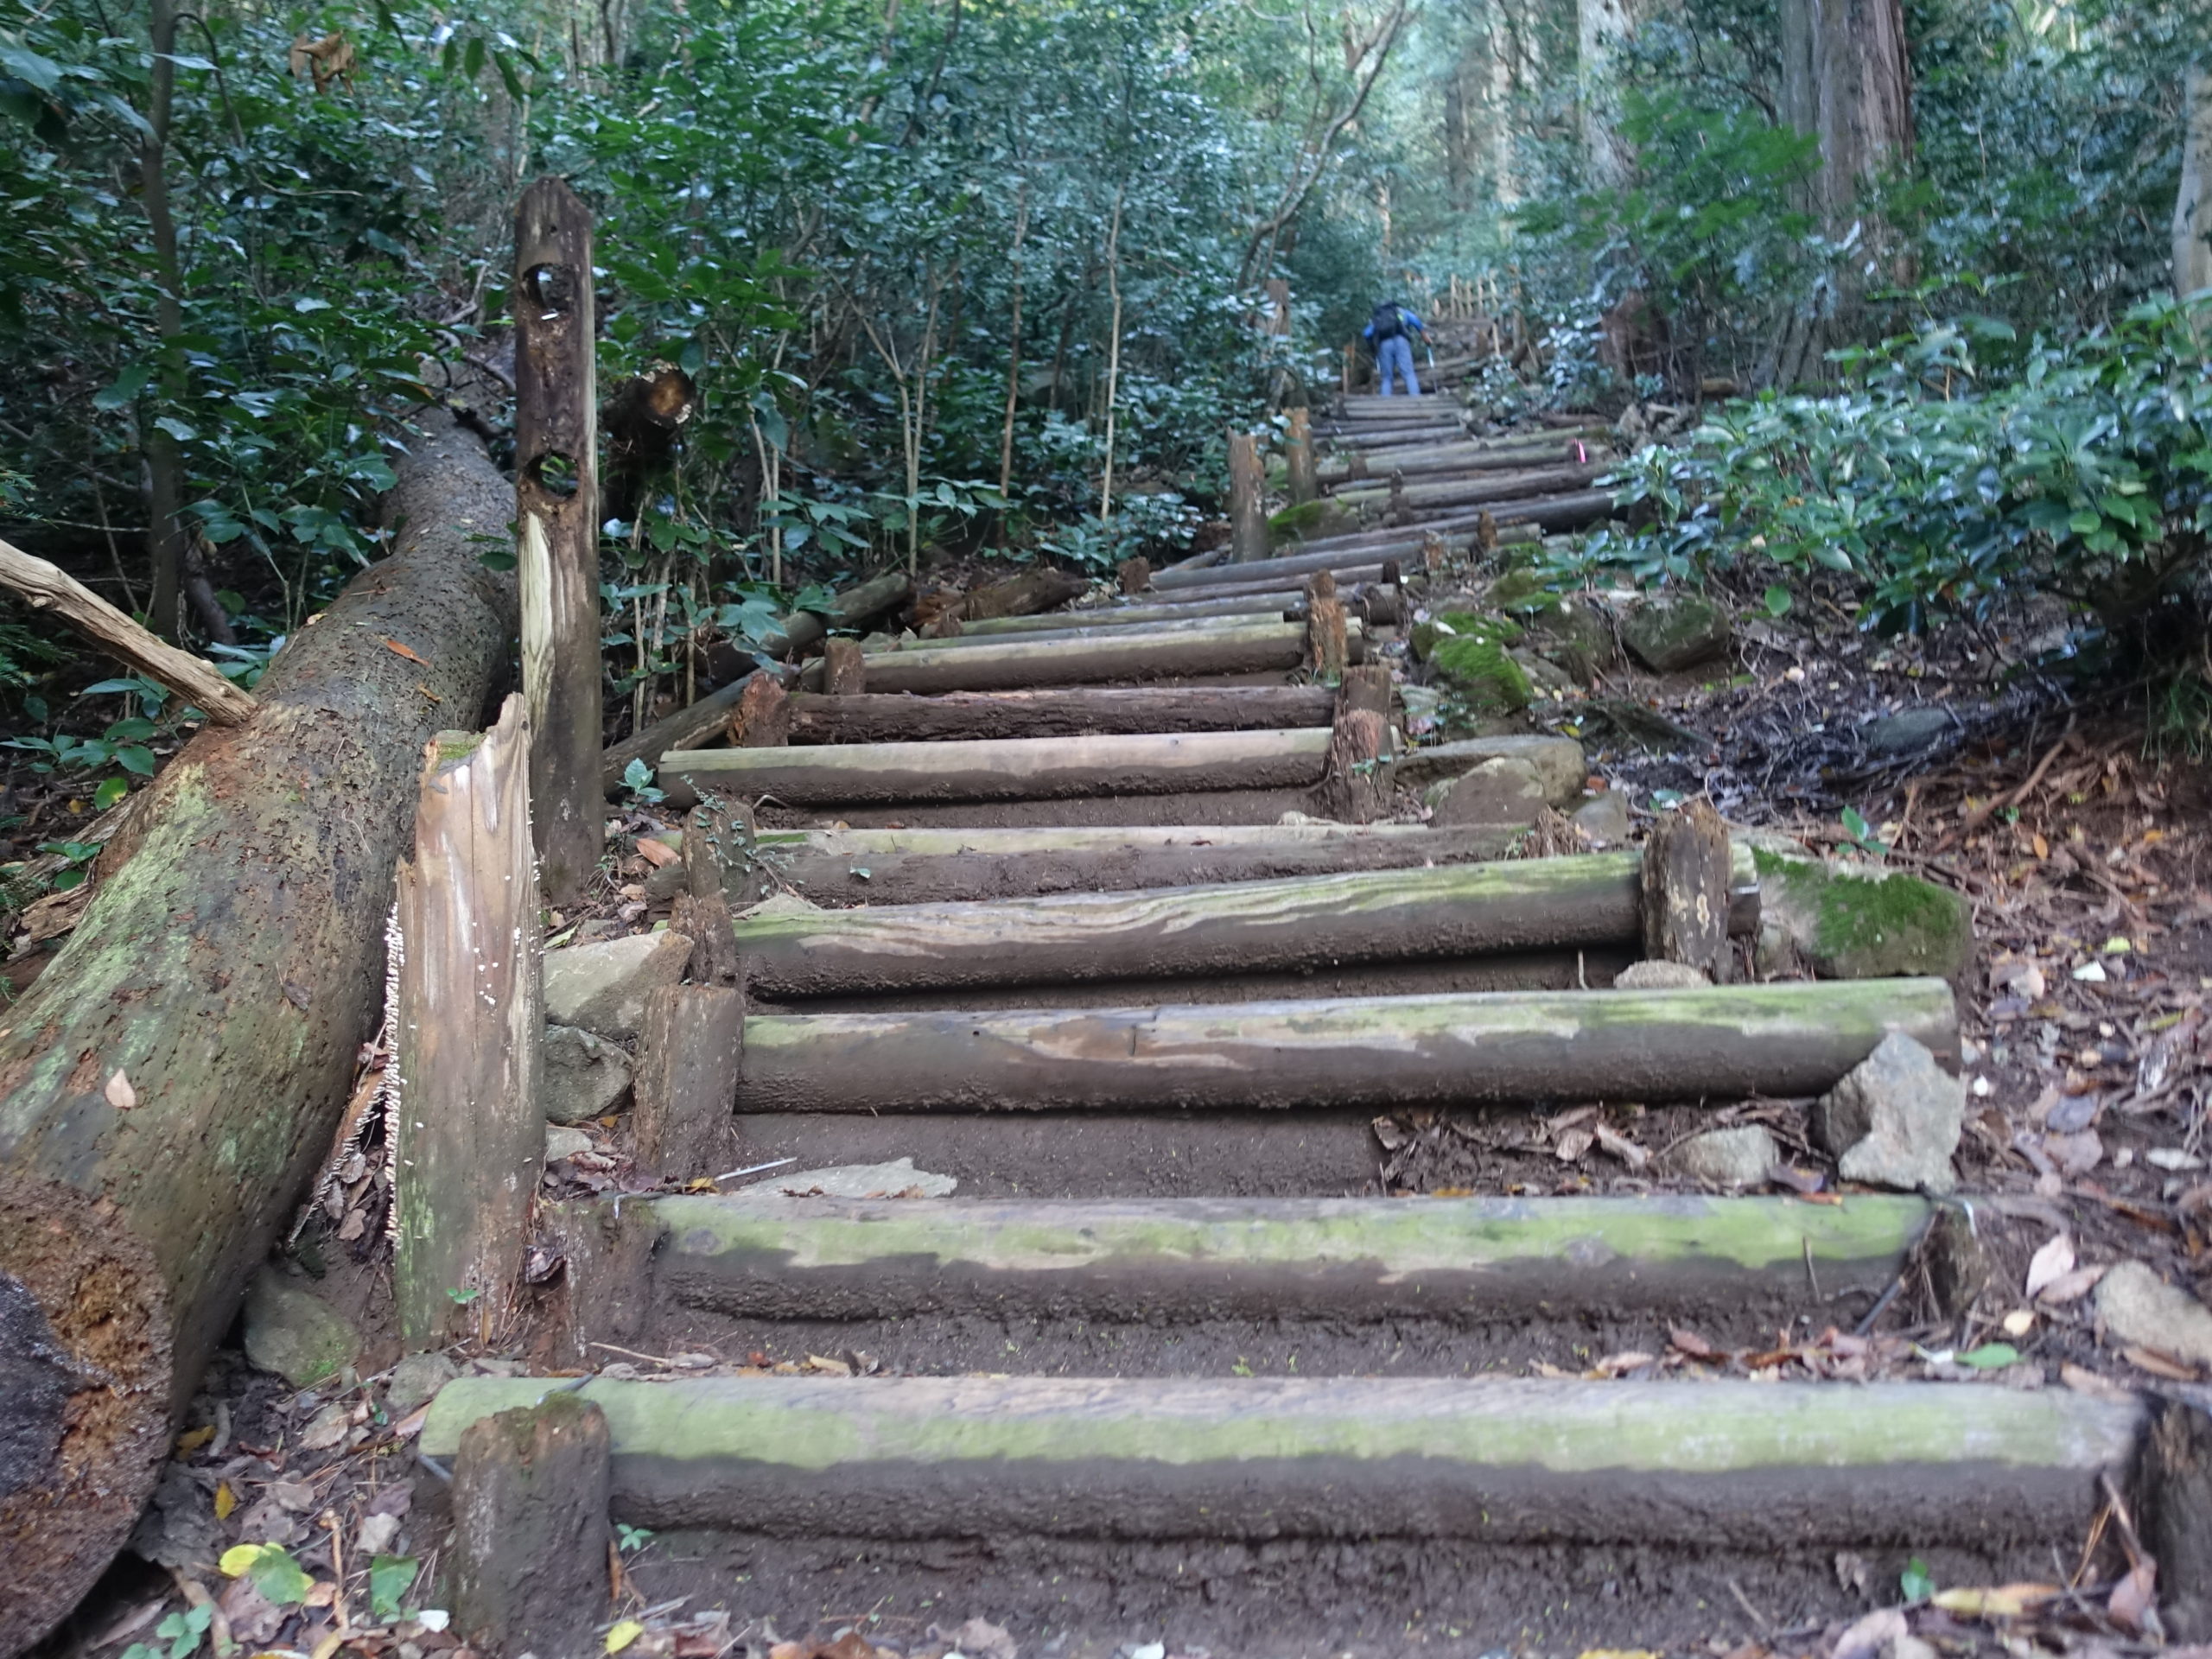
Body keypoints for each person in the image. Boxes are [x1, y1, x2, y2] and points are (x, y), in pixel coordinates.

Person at [1363, 300, 1425, 396]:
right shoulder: (1401, 311)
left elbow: (1366, 333)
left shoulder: (1378, 317)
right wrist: (1424, 335)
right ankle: (1415, 397)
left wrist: (1372, 345)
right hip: (1401, 341)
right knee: (1408, 373)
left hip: (1384, 345)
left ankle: (1385, 401)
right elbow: (1416, 321)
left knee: (1387, 377)